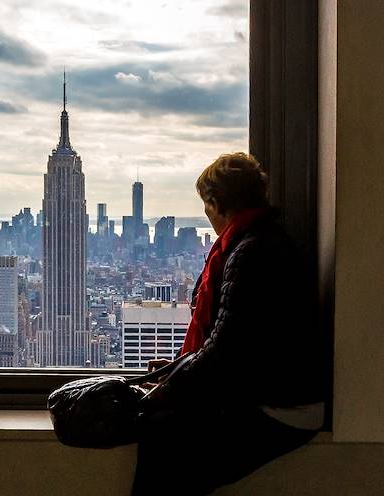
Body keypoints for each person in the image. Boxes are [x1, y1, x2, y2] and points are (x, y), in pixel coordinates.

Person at [133, 152, 326, 495]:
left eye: (206, 205)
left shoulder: (250, 253)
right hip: (277, 394)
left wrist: (172, 384)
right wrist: (178, 370)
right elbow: (236, 342)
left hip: (281, 407)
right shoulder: (257, 242)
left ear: (215, 203)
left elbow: (225, 351)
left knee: (160, 434)